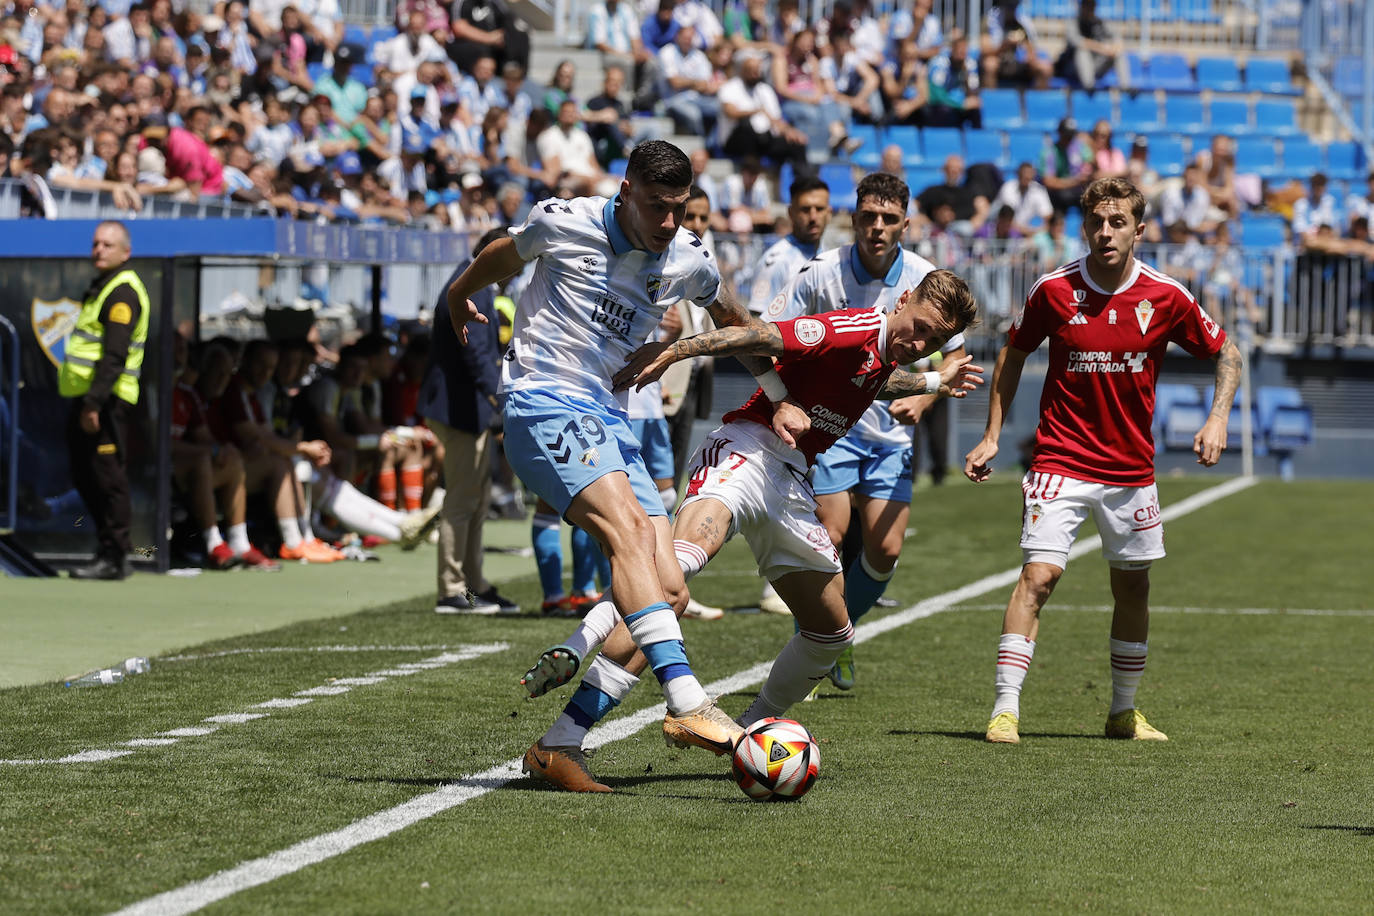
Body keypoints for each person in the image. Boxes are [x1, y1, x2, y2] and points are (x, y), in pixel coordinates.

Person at [516, 269, 982, 791]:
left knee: (831, 632)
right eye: (919, 327)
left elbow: (879, 377)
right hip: (745, 451)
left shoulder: (887, 351)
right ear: (903, 301)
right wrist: (675, 352)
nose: (920, 343)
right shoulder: (852, 327)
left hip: (791, 481)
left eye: (935, 342)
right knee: (672, 577)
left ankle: (748, 732)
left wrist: (934, 381)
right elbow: (758, 336)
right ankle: (564, 727)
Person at [444, 139, 808, 790]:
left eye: (680, 209)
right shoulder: (567, 221)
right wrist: (459, 292)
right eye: (658, 208)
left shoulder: (689, 257)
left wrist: (780, 398)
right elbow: (507, 250)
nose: (670, 223)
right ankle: (690, 701)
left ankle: (560, 745)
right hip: (545, 401)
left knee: (667, 589)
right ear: (626, 192)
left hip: (611, 422)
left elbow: (734, 321)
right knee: (633, 538)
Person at [964, 177, 1243, 745]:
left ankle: (1123, 711)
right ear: (1084, 226)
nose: (1106, 231)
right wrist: (993, 432)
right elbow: (1013, 356)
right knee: (1038, 577)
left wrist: (1218, 418)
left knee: (1133, 588)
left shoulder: (1166, 295)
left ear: (1140, 230)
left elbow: (1227, 353)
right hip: (1059, 460)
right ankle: (1005, 710)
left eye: (1118, 222)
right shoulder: (1054, 289)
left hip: (1131, 472)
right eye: (1097, 221)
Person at [764, 171, 970, 689]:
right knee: (829, 534)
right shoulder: (818, 273)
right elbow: (771, 333)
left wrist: (923, 396)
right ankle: (817, 642)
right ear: (852, 218)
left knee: (885, 549)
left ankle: (838, 634)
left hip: (889, 433)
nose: (877, 227)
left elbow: (955, 353)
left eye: (889, 218)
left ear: (905, 223)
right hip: (832, 425)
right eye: (868, 217)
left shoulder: (925, 278)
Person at [746, 173, 832, 614]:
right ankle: (774, 585)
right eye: (805, 209)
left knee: (818, 485)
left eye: (820, 208)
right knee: (781, 481)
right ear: (791, 212)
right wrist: (778, 392)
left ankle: (829, 578)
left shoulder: (832, 257)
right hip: (791, 390)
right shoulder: (778, 257)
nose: (813, 216)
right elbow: (758, 326)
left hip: (826, 390)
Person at [421, 227, 519, 614]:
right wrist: (500, 399)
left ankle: (474, 583)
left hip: (468, 409)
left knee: (474, 502)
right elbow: (476, 355)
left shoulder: (475, 282)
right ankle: (451, 589)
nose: (515, 272)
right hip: (459, 410)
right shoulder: (472, 285)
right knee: (462, 502)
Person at [60, 221, 146, 580]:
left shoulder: (122, 292)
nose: (98, 250)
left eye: (107, 245)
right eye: (96, 244)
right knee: (87, 476)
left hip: (107, 401)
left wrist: (94, 404)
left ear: (125, 252)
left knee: (108, 478)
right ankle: (105, 549)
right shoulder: (104, 286)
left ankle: (114, 556)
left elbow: (114, 355)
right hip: (90, 398)